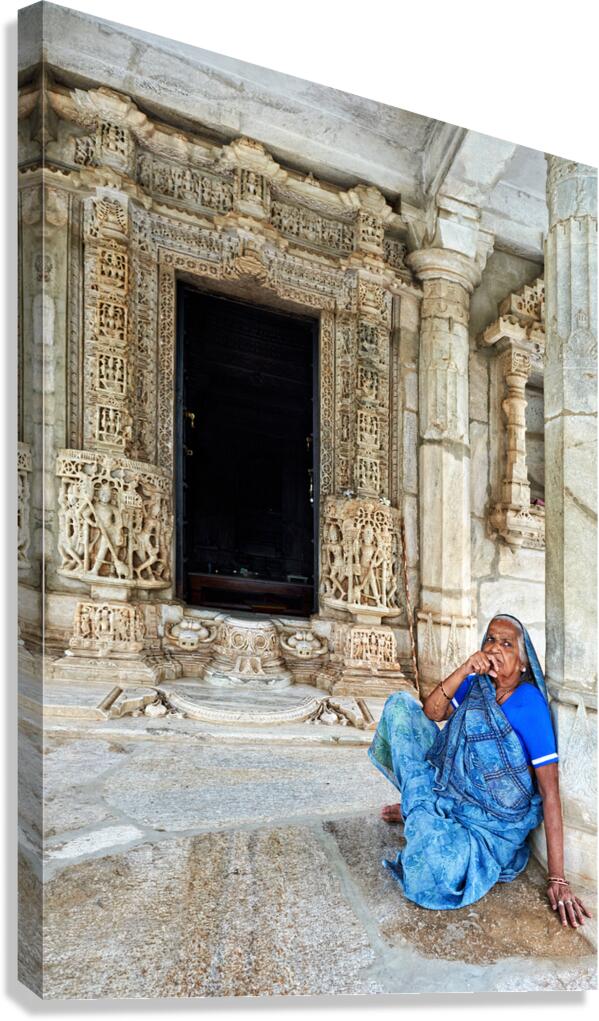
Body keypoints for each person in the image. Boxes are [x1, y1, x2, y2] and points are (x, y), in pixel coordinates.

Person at [368, 614, 592, 928]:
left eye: (506, 644)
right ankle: (419, 809)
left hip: (489, 825)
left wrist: (558, 878)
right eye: (490, 639)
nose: (495, 648)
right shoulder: (476, 684)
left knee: (432, 868)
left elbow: (549, 792)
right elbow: (432, 712)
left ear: (523, 662)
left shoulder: (530, 706)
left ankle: (419, 811)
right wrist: (464, 670)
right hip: (448, 790)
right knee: (400, 707)